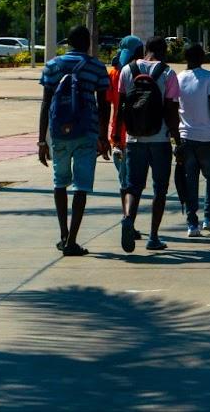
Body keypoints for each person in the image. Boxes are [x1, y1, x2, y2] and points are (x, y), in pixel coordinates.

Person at [37, 25, 112, 257]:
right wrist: (103, 136)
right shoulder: (97, 67)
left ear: (67, 42)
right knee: (81, 186)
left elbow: (46, 103)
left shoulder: (52, 66)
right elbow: (104, 105)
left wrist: (42, 140)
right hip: (86, 133)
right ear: (88, 42)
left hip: (59, 133)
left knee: (60, 182)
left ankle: (62, 235)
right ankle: (72, 240)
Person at [112, 36, 181, 252]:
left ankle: (128, 220)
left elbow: (121, 107)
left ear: (145, 50)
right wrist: (177, 139)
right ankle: (153, 237)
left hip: (134, 139)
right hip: (159, 139)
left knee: (133, 186)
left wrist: (117, 135)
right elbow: (170, 110)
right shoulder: (168, 73)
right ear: (164, 52)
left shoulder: (127, 71)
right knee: (159, 189)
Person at [175, 43, 210, 238]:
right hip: (207, 137)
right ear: (202, 57)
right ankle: (209, 218)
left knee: (190, 180)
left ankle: (191, 224)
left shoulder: (178, 78)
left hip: (186, 137)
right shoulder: (208, 77)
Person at [105, 35, 145, 243]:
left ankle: (126, 218)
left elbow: (110, 103)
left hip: (116, 135)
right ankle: (129, 220)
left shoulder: (113, 74)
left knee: (124, 181)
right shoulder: (139, 72)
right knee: (134, 183)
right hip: (136, 134)